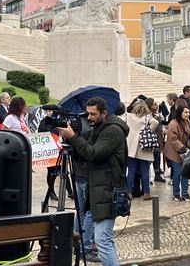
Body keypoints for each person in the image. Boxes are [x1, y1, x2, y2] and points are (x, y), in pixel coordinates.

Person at [58, 97, 128, 266]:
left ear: (104, 113)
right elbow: (83, 155)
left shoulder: (112, 131)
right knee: (104, 239)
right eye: (87, 113)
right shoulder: (98, 129)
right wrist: (70, 139)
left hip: (107, 190)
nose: (88, 117)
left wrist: (74, 137)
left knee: (103, 240)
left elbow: (93, 154)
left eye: (92, 114)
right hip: (98, 189)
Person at [120, 100, 159, 200]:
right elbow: (156, 122)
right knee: (144, 171)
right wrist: (147, 131)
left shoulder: (128, 116)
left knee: (131, 170)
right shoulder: (147, 117)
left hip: (130, 146)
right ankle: (146, 193)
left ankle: (129, 193)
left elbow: (120, 121)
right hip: (143, 145)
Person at [164, 105, 190, 202]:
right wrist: (183, 148)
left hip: (184, 151)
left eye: (188, 112)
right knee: (177, 172)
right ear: (180, 113)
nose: (188, 114)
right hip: (174, 152)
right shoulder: (173, 124)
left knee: (185, 172)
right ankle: (176, 194)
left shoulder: (188, 122)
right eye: (185, 112)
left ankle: (185, 193)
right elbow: (173, 139)